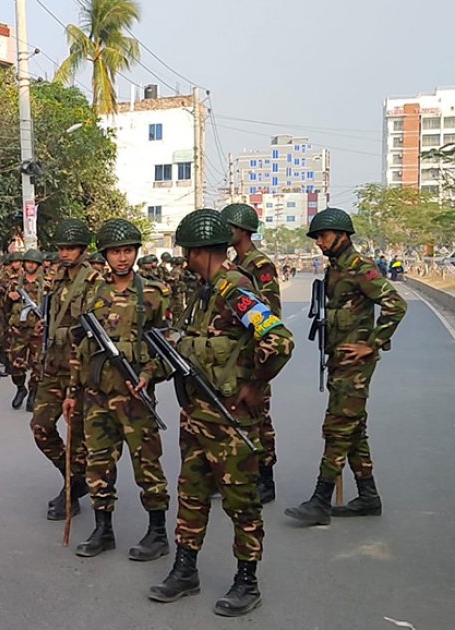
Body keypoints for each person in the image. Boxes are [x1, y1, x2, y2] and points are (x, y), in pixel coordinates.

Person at [147, 209, 293, 617]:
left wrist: (254, 385)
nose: (184, 258)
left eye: (186, 252)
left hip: (228, 418)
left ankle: (247, 580)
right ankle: (185, 569)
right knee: (191, 494)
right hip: (197, 413)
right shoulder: (204, 292)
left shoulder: (234, 289)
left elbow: (279, 340)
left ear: (196, 251)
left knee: (241, 502)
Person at [285, 208, 407, 527]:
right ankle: (368, 496)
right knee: (354, 429)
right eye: (317, 238)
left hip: (356, 364)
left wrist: (372, 344)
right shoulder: (336, 268)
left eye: (323, 236)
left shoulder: (359, 267)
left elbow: (396, 305)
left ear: (342, 235)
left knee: (337, 428)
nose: (319, 243)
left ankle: (320, 500)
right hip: (339, 359)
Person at [69, 220, 171, 562]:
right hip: (97, 393)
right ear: (106, 255)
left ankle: (157, 532)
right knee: (98, 464)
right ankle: (103, 529)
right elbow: (81, 346)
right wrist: (72, 391)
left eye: (128, 251)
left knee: (147, 464)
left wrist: (148, 373)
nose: (122, 258)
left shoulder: (155, 292)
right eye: (116, 252)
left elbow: (169, 343)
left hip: (135, 395)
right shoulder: (94, 293)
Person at [34, 219, 96, 520]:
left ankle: (71, 491)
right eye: (61, 248)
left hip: (79, 369)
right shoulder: (56, 278)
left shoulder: (94, 280)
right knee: (41, 426)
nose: (65, 253)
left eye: (70, 248)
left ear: (83, 250)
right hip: (54, 365)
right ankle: (74, 479)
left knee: (78, 437)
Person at [221, 203, 281, 504]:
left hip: (258, 353)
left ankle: (265, 478)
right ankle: (240, 473)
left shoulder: (259, 265)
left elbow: (270, 312)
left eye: (229, 228)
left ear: (243, 231)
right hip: (236, 354)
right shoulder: (233, 262)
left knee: (259, 417)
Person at [6, 250, 46, 412]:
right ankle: (20, 387)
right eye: (28, 261)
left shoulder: (47, 283)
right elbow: (5, 307)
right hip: (18, 330)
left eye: (33, 262)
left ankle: (33, 393)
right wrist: (10, 297)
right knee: (15, 365)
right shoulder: (16, 282)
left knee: (38, 365)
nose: (30, 264)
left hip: (38, 330)